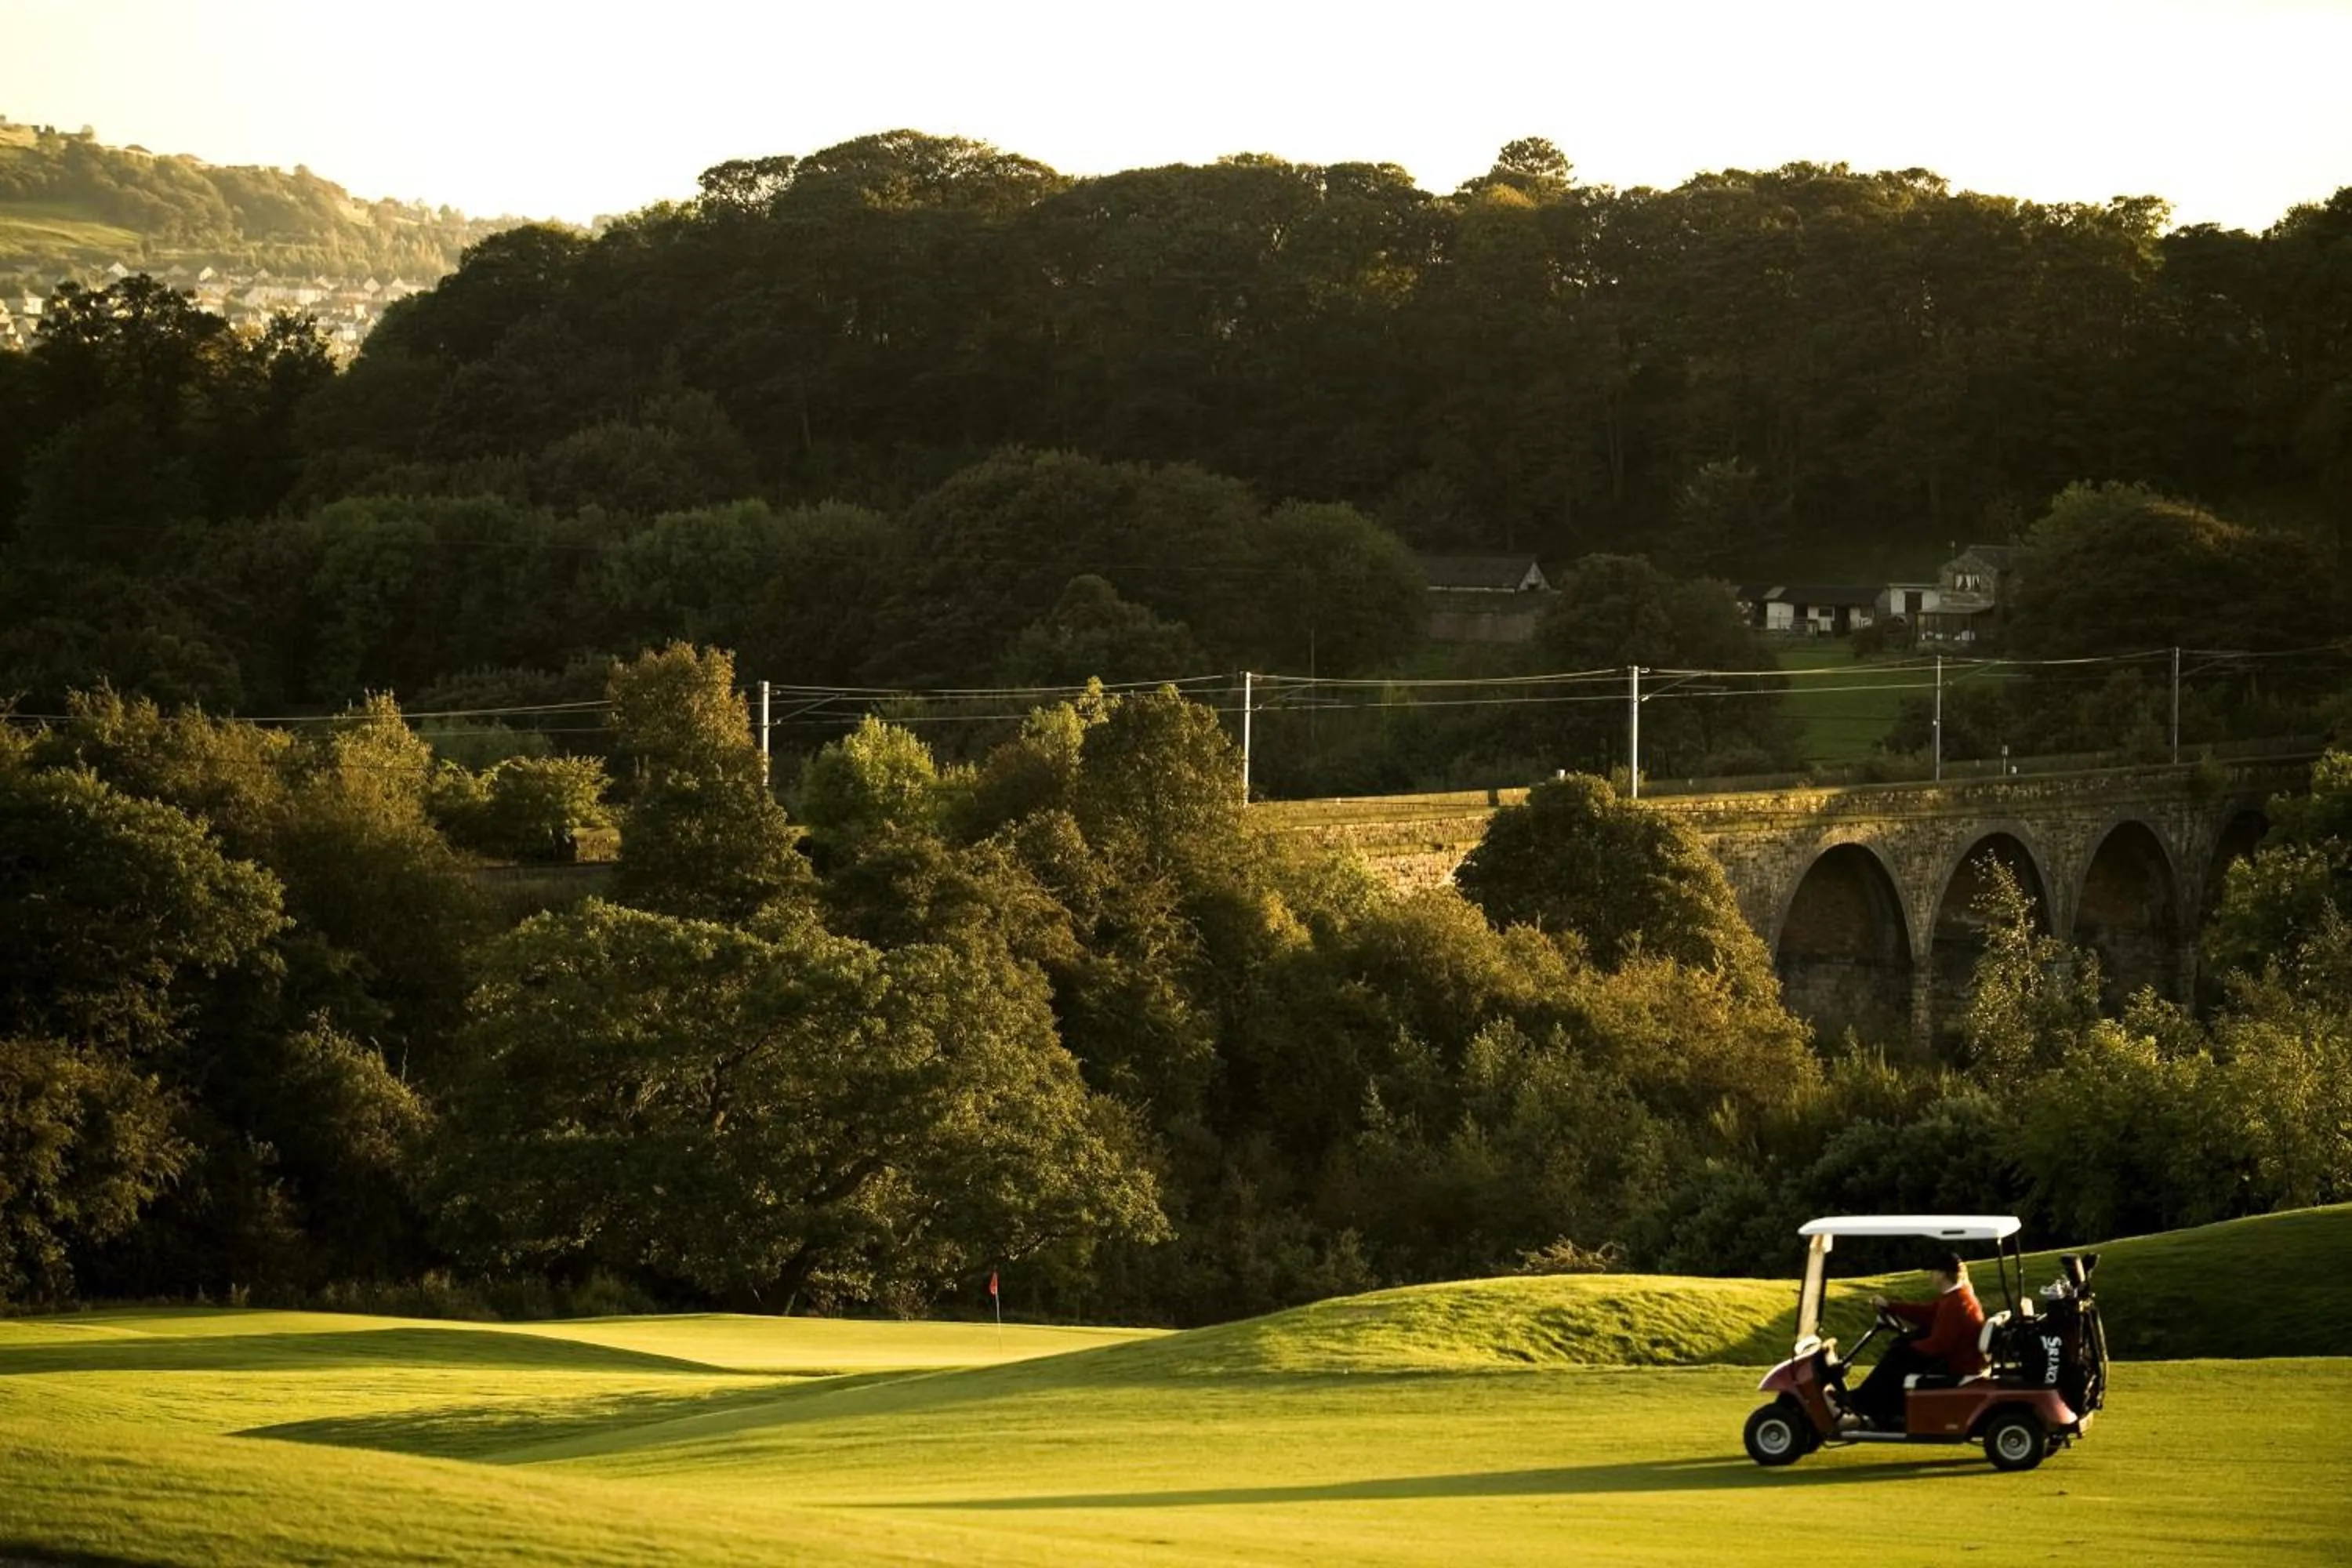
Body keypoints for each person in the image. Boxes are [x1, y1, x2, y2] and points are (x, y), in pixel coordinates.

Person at [1845, 1251, 1986, 1430]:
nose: (1930, 1276)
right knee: (1899, 1350)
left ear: (1943, 1274)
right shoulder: (1955, 1297)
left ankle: (1865, 1404)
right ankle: (1874, 1407)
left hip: (1955, 1363)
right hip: (1956, 1357)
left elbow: (1940, 1344)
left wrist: (1909, 1347)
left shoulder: (1957, 1302)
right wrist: (1891, 1306)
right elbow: (1926, 1314)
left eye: (1933, 1271)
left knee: (1897, 1356)